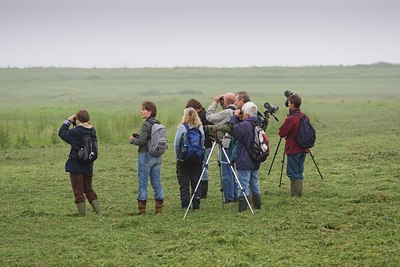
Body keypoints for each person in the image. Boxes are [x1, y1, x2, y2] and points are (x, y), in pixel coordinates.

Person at [58, 109, 101, 216]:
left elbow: (62, 133)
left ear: (77, 119)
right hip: (88, 165)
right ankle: (99, 212)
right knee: (88, 189)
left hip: (75, 165)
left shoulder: (76, 132)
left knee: (78, 190)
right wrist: (76, 122)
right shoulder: (92, 130)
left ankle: (82, 215)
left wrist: (68, 120)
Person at [129, 101, 165, 215]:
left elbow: (142, 141)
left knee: (143, 183)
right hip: (157, 156)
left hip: (145, 156)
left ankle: (142, 211)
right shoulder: (157, 123)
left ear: (150, 112)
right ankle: (158, 210)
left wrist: (132, 140)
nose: (141, 111)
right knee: (157, 183)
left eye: (144, 109)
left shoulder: (146, 124)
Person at [206, 93, 238, 203]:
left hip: (227, 143)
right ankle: (235, 195)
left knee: (227, 171)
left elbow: (209, 116)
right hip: (237, 143)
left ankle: (229, 197)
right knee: (234, 170)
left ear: (225, 102)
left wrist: (215, 102)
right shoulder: (238, 111)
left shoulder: (227, 112)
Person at [230, 102, 262, 212]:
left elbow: (232, 129)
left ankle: (243, 208)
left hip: (244, 159)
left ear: (247, 114)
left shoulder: (244, 125)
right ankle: (257, 205)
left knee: (243, 183)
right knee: (254, 182)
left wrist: (234, 116)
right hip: (255, 158)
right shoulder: (256, 123)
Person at [278, 94, 310, 196]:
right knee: (299, 171)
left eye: (289, 103)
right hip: (304, 148)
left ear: (292, 104)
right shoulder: (305, 116)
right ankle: (298, 193)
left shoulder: (291, 119)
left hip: (293, 148)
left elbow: (281, 133)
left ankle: (295, 195)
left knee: (292, 172)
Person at [174, 107, 205, 209]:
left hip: (184, 159)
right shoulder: (200, 127)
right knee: (196, 181)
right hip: (197, 159)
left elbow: (176, 144)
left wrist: (179, 156)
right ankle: (196, 203)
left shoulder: (182, 128)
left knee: (184, 182)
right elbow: (202, 143)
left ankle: (185, 203)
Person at [185, 99, 212, 198]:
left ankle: (202, 193)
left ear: (195, 109)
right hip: (207, 144)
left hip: (204, 145)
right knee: (203, 168)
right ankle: (202, 192)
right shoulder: (206, 114)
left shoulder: (201, 116)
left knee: (203, 168)